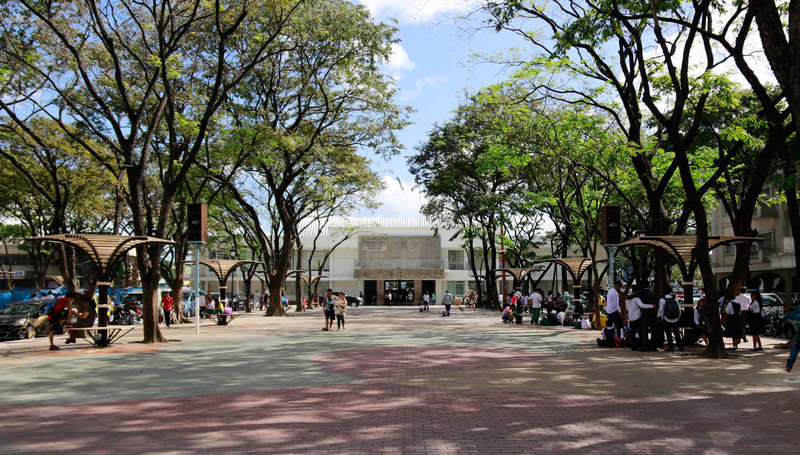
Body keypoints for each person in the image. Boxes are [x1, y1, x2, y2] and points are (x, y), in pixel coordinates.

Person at [626, 285, 658, 351]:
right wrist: (652, 306)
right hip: (638, 316)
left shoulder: (627, 299)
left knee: (633, 331)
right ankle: (643, 344)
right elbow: (642, 305)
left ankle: (633, 346)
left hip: (631, 316)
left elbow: (627, 308)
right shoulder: (637, 298)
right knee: (641, 331)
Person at [658, 286, 684, 352]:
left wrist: (662, 317)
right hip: (675, 319)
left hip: (667, 318)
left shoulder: (662, 300)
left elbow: (661, 310)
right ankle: (680, 347)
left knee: (668, 333)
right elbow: (678, 308)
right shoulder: (675, 299)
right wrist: (678, 317)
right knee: (676, 333)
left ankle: (671, 347)